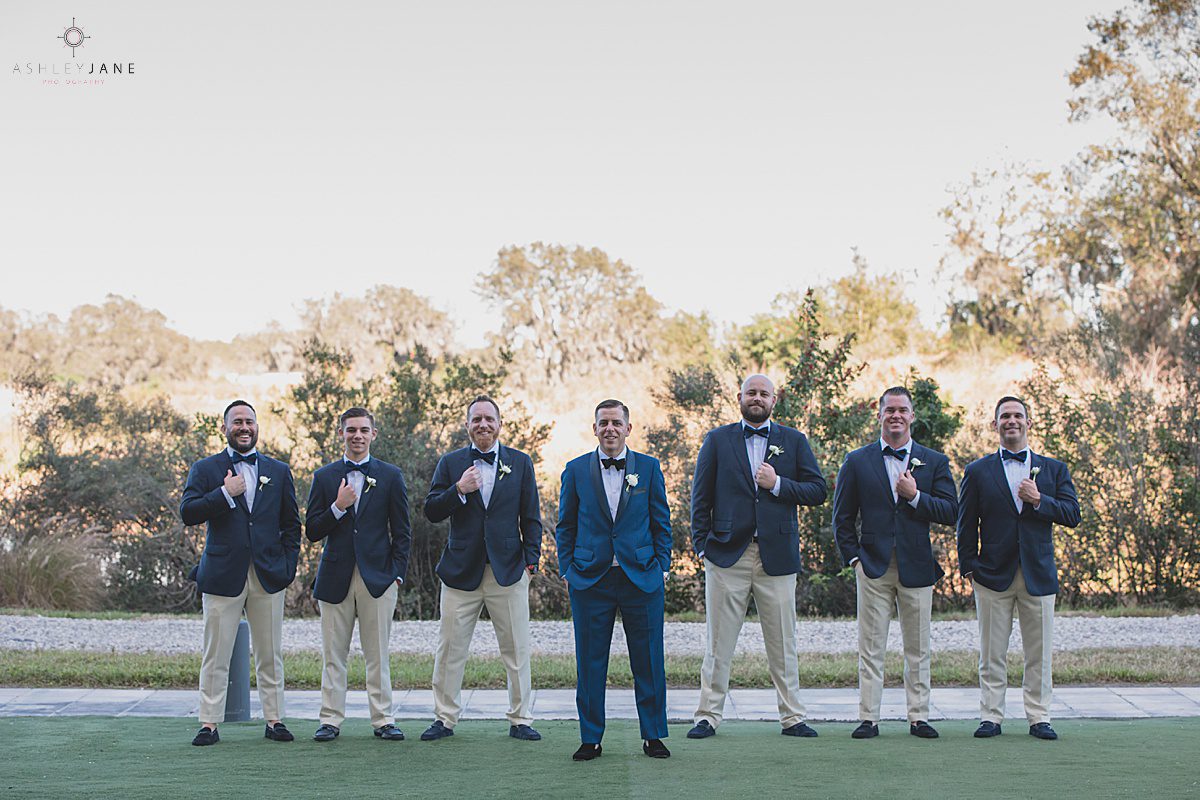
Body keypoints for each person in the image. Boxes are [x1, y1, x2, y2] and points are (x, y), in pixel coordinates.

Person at [688, 374, 827, 740]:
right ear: (739, 397)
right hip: (727, 557)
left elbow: (818, 490)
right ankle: (708, 715)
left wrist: (778, 484)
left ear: (774, 400)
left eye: (764, 393)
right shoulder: (717, 440)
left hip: (776, 558)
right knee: (718, 643)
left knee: (783, 641)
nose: (757, 398)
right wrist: (702, 546)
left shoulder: (794, 441)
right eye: (751, 392)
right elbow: (700, 497)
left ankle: (793, 717)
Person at [833, 386, 957, 739]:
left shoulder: (934, 461)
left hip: (917, 566)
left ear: (912, 416)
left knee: (918, 646)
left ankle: (918, 716)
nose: (896, 416)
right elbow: (842, 518)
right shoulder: (857, 461)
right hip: (872, 566)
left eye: (903, 410)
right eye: (890, 410)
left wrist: (915, 496)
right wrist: (854, 559)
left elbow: (951, 511)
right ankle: (868, 717)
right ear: (880, 415)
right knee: (871, 645)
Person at [420, 395, 543, 742]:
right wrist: (458, 490)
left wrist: (530, 564)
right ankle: (444, 718)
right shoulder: (450, 462)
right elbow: (431, 510)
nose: (483, 425)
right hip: (461, 572)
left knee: (516, 648)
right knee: (450, 649)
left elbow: (531, 518)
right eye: (476, 419)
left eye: (489, 419)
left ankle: (521, 718)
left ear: (500, 424)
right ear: (468, 425)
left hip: (508, 571)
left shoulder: (520, 462)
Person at [957, 395, 1081, 741]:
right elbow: (966, 524)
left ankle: (1039, 717)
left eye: (1018, 416)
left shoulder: (1054, 469)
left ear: (1030, 423)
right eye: (1004, 417)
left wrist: (1040, 500)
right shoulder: (977, 471)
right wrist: (968, 566)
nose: (1011, 421)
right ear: (994, 425)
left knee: (1038, 653)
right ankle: (991, 716)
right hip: (991, 575)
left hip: (1037, 574)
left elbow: (1073, 514)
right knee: (991, 652)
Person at [556, 399, 672, 761]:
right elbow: (565, 526)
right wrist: (567, 570)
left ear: (628, 428)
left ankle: (653, 735)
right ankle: (590, 738)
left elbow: (661, 522)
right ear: (594, 429)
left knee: (649, 660)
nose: (609, 429)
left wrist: (663, 566)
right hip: (591, 580)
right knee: (590, 662)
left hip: (642, 578)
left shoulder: (649, 468)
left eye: (616, 423)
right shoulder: (575, 470)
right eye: (603, 423)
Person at [181, 400, 301, 746]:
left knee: (270, 652)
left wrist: (287, 567)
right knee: (215, 651)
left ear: (257, 427)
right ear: (225, 429)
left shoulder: (278, 471)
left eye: (249, 421)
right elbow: (188, 512)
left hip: (267, 575)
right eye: (237, 422)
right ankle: (209, 723)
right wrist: (222, 494)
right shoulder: (206, 468)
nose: (244, 427)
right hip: (221, 573)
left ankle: (274, 719)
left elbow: (291, 525)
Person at [306, 407, 411, 742]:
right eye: (351, 430)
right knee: (333, 655)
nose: (357, 436)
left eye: (364, 430)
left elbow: (403, 532)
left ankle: (383, 719)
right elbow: (311, 530)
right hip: (335, 576)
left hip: (378, 579)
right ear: (341, 433)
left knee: (377, 654)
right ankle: (330, 720)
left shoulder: (391, 476)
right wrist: (337, 506)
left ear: (373, 434)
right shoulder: (324, 477)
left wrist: (396, 574)